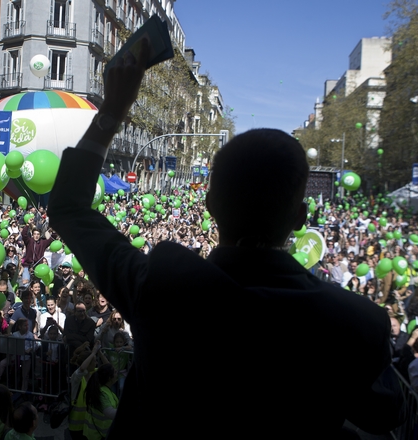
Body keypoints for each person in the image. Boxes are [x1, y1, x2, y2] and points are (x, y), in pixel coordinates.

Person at [47, 39, 394, 438]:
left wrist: (113, 109)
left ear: (210, 204)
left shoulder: (163, 283)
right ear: (300, 218)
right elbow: (383, 416)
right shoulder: (358, 323)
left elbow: (69, 208)